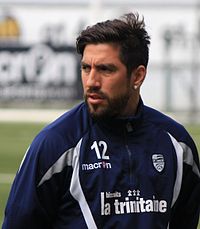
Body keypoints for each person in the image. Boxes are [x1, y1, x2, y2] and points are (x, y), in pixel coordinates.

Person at [2, 12, 200, 229]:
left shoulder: (179, 147)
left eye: (105, 69)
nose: (91, 82)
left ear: (137, 76)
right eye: (86, 68)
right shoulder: (55, 146)